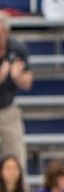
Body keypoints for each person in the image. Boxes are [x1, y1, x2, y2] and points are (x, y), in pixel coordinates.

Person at [0, 13, 32, 169]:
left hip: (8, 109)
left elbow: (28, 83)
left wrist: (17, 76)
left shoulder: (16, 49)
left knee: (17, 160)